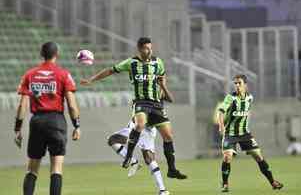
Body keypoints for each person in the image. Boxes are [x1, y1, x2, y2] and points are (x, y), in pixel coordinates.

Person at [81, 37, 187, 179]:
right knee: (140, 125)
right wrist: (91, 80)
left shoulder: (158, 62)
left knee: (168, 136)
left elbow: (162, 77)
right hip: (141, 102)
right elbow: (110, 70)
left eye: (150, 48)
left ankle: (172, 169)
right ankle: (129, 157)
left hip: (156, 105)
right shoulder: (131, 63)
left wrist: (162, 90)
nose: (149, 51)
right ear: (140, 49)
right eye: (146, 48)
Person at [14, 42, 81, 195]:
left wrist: (17, 128)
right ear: (57, 54)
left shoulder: (30, 74)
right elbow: (71, 104)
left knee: (32, 168)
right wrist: (76, 125)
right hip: (56, 121)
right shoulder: (63, 74)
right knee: (56, 168)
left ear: (41, 54)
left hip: (37, 122)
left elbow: (22, 105)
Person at [217, 74, 283, 192]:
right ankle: (225, 184)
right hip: (230, 134)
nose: (237, 85)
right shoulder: (230, 98)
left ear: (245, 85)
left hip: (245, 134)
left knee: (258, 156)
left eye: (239, 83)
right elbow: (221, 112)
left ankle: (273, 182)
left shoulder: (250, 98)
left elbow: (246, 114)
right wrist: (221, 126)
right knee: (227, 157)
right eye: (235, 83)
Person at [108, 120, 170, 195]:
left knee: (112, 140)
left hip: (142, 127)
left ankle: (134, 162)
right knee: (149, 159)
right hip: (143, 127)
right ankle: (163, 190)